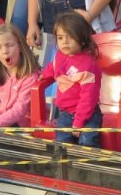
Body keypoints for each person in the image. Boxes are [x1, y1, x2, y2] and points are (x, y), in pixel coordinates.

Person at [38, 12, 103, 147]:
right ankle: (65, 167)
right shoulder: (60, 55)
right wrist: (44, 74)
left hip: (88, 114)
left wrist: (78, 122)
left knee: (87, 141)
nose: (64, 42)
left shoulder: (87, 65)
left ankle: (88, 167)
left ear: (83, 40)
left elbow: (88, 98)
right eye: (60, 38)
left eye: (70, 37)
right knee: (61, 142)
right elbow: (53, 67)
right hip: (65, 113)